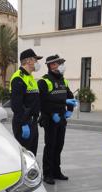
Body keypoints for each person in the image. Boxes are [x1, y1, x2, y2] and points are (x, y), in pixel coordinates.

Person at [38, 54, 78, 185]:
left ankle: (56, 171)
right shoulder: (44, 81)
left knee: (59, 146)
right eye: (58, 63)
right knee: (50, 146)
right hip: (50, 119)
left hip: (61, 118)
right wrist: (51, 113)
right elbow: (43, 101)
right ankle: (48, 174)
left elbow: (70, 95)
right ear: (51, 65)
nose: (61, 65)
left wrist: (69, 111)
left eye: (61, 63)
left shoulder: (63, 80)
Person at [9, 49, 43, 155]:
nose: (37, 63)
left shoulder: (30, 77)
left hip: (32, 122)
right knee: (24, 157)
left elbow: (34, 100)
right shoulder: (18, 78)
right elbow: (16, 105)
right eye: (36, 60)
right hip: (24, 124)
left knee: (32, 155)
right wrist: (23, 124)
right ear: (29, 61)